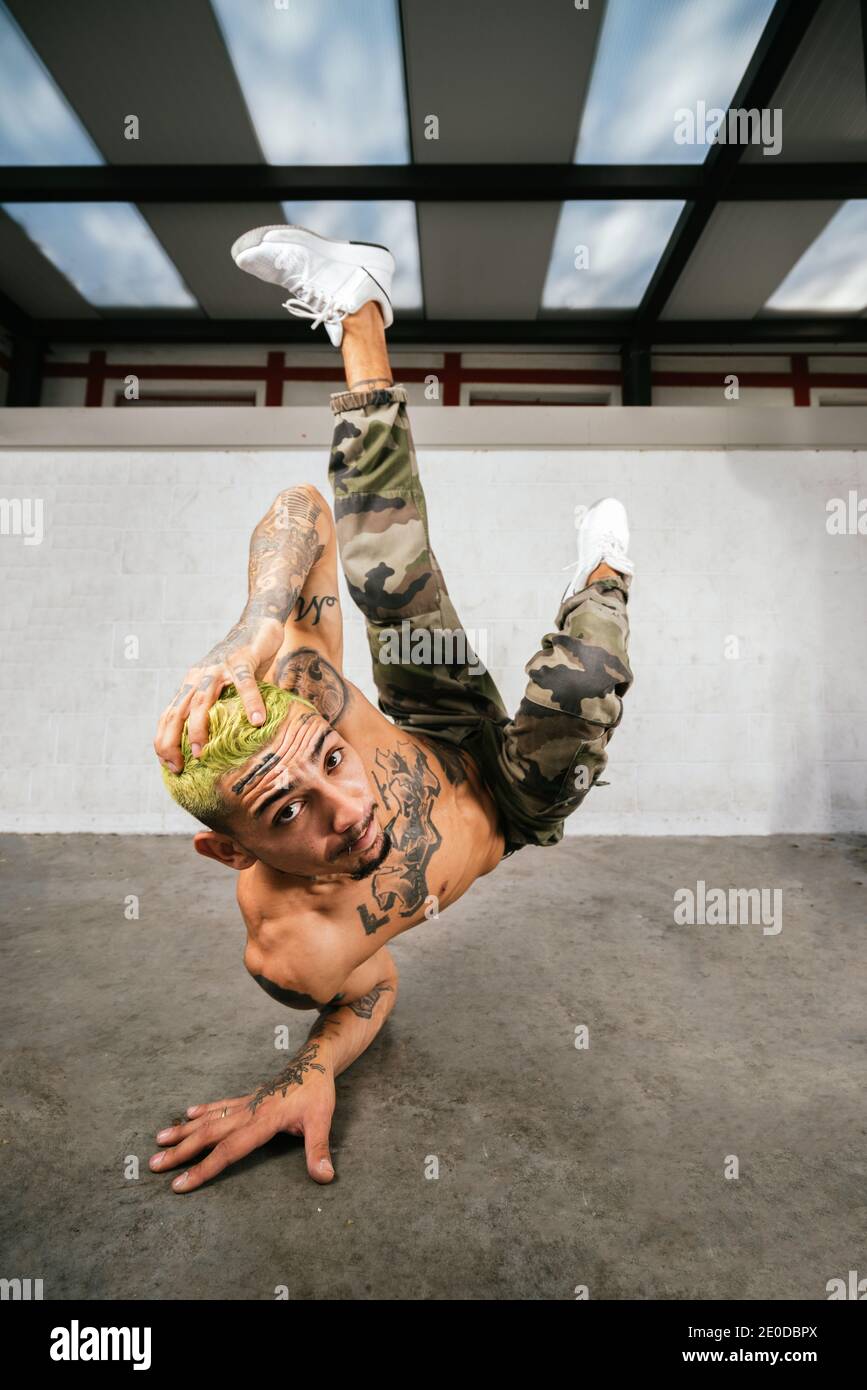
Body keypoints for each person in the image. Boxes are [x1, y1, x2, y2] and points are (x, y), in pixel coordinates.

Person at [149, 225, 635, 1192]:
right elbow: (369, 986)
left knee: (381, 571)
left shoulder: (301, 706)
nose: (349, 803)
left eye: (327, 763)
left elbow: (303, 510)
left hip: (434, 724)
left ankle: (357, 305)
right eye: (288, 813)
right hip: (516, 809)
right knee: (581, 684)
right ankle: (606, 572)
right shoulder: (292, 944)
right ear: (233, 850)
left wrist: (256, 624)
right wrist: (309, 1069)